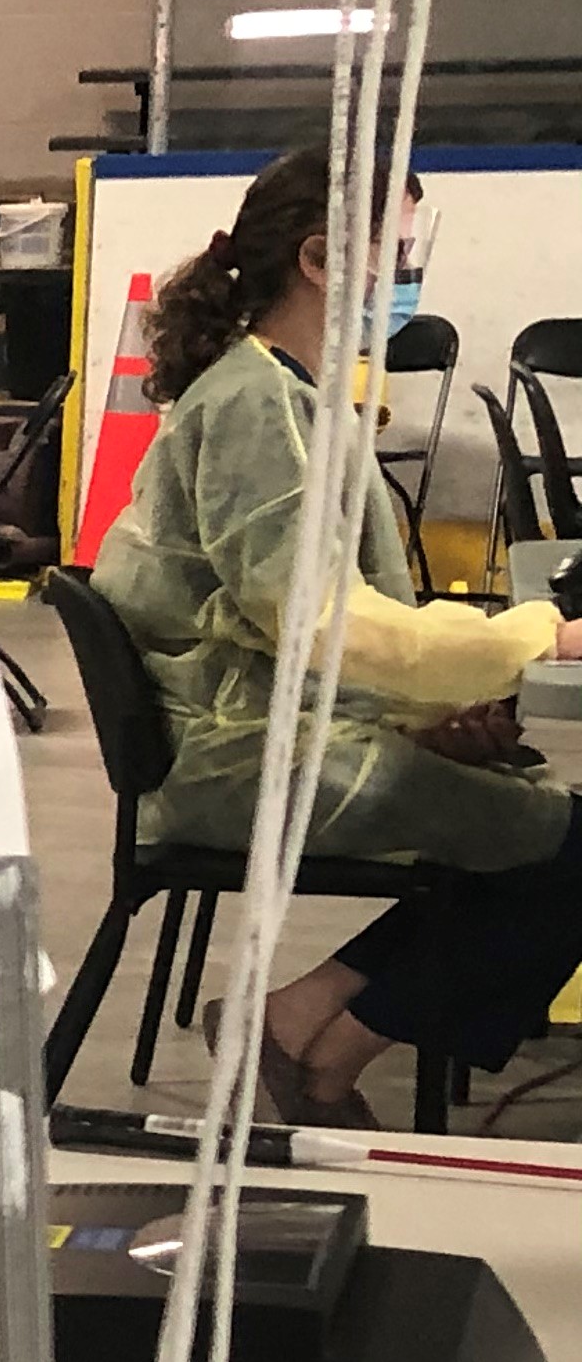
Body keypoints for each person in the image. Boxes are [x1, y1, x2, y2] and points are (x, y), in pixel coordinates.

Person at [91, 144, 582, 1126]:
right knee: (562, 844)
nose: (411, 275)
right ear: (320, 259)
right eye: (399, 252)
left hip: (246, 736)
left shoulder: (282, 392)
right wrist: (544, 638)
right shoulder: (257, 406)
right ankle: (327, 1051)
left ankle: (303, 1022)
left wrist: (421, 718)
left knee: (536, 820)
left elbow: (298, 631)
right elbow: (321, 626)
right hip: (231, 763)